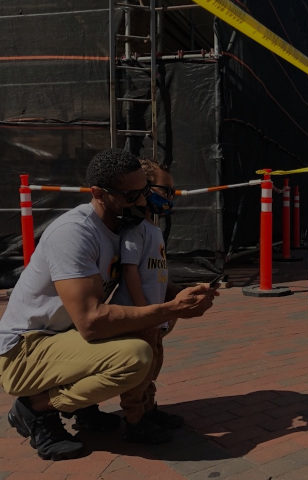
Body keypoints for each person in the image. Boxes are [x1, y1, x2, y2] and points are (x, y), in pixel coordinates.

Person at [0, 149, 216, 460]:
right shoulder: (74, 233)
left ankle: (86, 407)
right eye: (132, 195)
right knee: (134, 356)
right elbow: (91, 322)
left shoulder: (121, 229)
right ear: (99, 193)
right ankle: (35, 409)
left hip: (61, 337)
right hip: (25, 348)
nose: (143, 201)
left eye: (145, 190)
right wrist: (171, 309)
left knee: (143, 332)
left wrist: (179, 294)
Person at [111, 159, 184, 444]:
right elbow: (130, 271)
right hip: (140, 315)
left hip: (155, 316)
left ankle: (149, 410)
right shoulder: (134, 231)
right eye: (165, 189)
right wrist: (145, 311)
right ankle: (134, 421)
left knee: (153, 365)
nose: (169, 196)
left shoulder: (154, 230)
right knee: (138, 373)